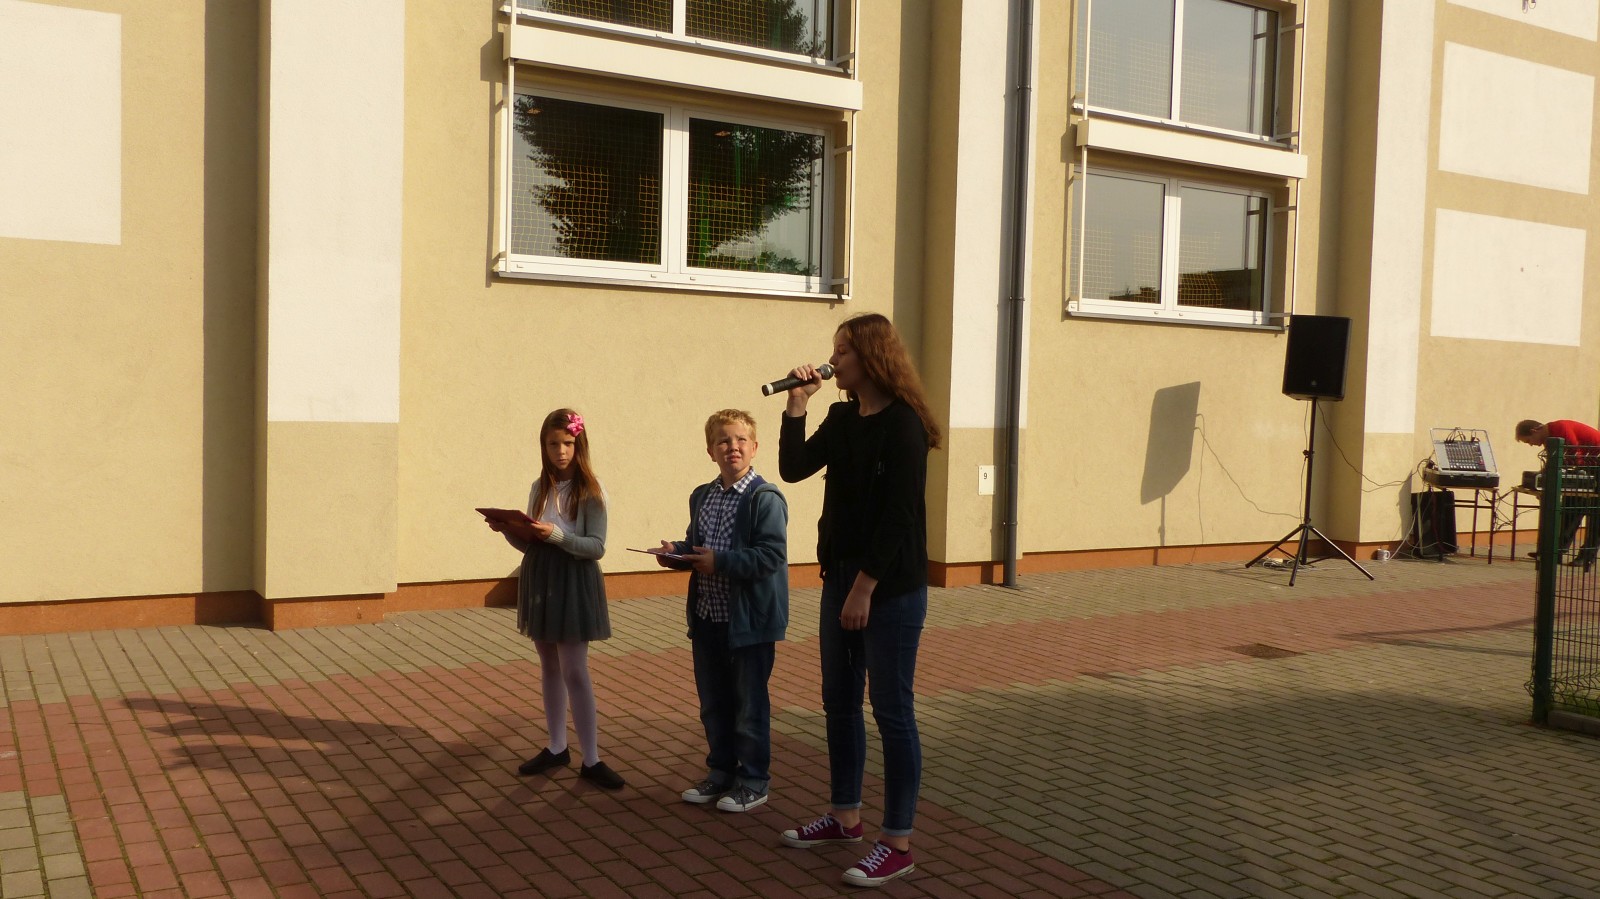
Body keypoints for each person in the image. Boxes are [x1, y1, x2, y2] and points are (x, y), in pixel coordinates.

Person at [775, 312, 941, 888]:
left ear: (871, 357)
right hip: (840, 576)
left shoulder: (904, 426)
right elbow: (793, 469)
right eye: (833, 350)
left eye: (842, 351)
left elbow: (899, 516)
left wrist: (865, 587)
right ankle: (845, 816)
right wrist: (797, 406)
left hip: (888, 586)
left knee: (891, 710)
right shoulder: (844, 418)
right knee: (840, 702)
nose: (832, 360)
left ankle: (897, 842)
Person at [655, 409, 789, 814]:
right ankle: (721, 772)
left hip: (748, 623)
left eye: (740, 440)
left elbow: (771, 556)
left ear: (755, 447)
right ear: (710, 450)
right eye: (723, 441)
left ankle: (753, 781)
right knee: (714, 704)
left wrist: (721, 562)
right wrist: (676, 553)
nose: (732, 447)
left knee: (749, 707)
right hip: (707, 617)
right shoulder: (703, 495)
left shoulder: (764, 498)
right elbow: (699, 546)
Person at [485, 408, 626, 790]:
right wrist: (508, 530)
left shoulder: (590, 491)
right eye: (553, 444)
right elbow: (532, 544)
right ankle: (556, 746)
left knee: (574, 670)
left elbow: (596, 547)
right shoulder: (540, 487)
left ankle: (592, 758)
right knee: (548, 664)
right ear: (543, 447)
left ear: (579, 445)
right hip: (542, 579)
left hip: (573, 581)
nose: (560, 451)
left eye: (567, 443)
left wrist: (556, 535)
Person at [1516, 419, 1600, 569]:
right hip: (1589, 465)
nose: (1530, 445)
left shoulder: (1561, 428)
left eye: (1528, 441)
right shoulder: (1549, 440)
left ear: (1534, 431)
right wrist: (1543, 482)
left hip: (1596, 464)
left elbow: (1576, 457)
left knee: (1596, 512)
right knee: (1570, 507)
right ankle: (1555, 551)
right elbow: (1554, 464)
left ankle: (1587, 556)